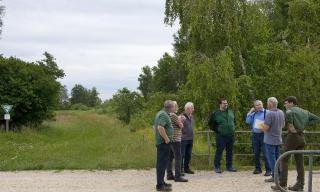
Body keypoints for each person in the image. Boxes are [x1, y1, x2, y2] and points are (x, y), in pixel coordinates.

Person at [271, 96, 320, 191]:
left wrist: (291, 125)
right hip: (301, 137)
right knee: (299, 162)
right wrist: (303, 125)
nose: (284, 105)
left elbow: (289, 114)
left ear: (291, 103)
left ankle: (282, 184)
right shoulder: (305, 112)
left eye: (286, 103)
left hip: (293, 136)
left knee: (284, 158)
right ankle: (300, 185)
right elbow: (317, 119)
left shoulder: (290, 111)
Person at [208, 98, 237, 173]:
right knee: (219, 151)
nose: (226, 104)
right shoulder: (215, 113)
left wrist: (232, 128)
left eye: (226, 103)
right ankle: (217, 167)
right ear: (220, 104)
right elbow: (211, 124)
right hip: (221, 136)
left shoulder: (231, 112)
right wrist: (218, 130)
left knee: (230, 151)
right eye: (224, 103)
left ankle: (229, 166)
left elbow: (234, 121)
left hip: (231, 135)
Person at [261, 97, 285, 183]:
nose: (267, 104)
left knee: (271, 159)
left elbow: (265, 128)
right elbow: (283, 125)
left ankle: (275, 176)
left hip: (270, 140)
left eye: (267, 103)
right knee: (277, 157)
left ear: (270, 104)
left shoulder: (269, 113)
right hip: (278, 139)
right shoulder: (281, 112)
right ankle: (279, 174)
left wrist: (261, 125)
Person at [246, 100, 271, 176]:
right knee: (256, 153)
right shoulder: (253, 114)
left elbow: (271, 122)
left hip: (264, 134)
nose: (259, 106)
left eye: (260, 104)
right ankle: (258, 169)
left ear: (262, 104)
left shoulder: (267, 112)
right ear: (254, 107)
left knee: (266, 153)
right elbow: (247, 121)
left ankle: (268, 170)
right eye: (257, 105)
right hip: (255, 135)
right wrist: (250, 112)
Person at [154, 100, 175, 191]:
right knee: (162, 164)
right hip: (163, 143)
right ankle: (160, 185)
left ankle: (162, 182)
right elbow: (160, 127)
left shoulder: (161, 113)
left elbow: (154, 127)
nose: (174, 108)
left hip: (162, 142)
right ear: (170, 107)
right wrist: (166, 139)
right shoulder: (163, 115)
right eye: (173, 106)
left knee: (163, 163)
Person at [166, 101, 188, 182]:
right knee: (178, 157)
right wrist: (181, 120)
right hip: (176, 139)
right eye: (175, 106)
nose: (176, 107)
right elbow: (181, 125)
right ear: (173, 107)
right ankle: (177, 176)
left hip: (170, 138)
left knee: (170, 158)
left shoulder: (168, 114)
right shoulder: (174, 115)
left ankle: (169, 175)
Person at [181, 102, 195, 175]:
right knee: (182, 154)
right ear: (187, 109)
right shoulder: (182, 117)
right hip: (183, 139)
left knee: (188, 154)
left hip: (190, 138)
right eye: (192, 108)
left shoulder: (191, 116)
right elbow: (179, 127)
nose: (193, 109)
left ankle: (186, 168)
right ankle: (180, 169)